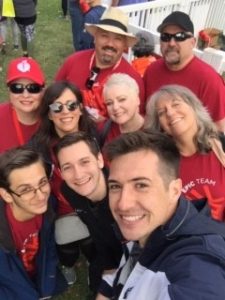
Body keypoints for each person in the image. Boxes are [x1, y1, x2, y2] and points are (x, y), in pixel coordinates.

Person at [97, 130, 225, 300]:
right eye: (115, 186)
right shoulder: (150, 229)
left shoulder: (197, 265)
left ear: (174, 190)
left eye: (141, 185)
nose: (123, 204)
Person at [29, 81, 99, 287]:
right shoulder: (40, 146)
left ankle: (93, 262)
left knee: (92, 243)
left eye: (71, 105)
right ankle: (68, 264)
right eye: (57, 107)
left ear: (80, 109)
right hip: (61, 210)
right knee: (67, 244)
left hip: (93, 204)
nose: (65, 112)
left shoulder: (95, 135)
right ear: (49, 114)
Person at [54, 131, 123, 296]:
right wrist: (107, 266)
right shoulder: (69, 191)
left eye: (84, 162)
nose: (78, 175)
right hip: (105, 250)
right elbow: (94, 226)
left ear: (99, 160)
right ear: (61, 173)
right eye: (67, 167)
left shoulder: (124, 193)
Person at [145, 84, 225, 221]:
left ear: (194, 107)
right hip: (196, 240)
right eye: (162, 113)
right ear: (161, 126)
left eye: (176, 104)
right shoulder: (162, 164)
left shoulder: (221, 144)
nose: (170, 113)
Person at [0, 146, 67, 300]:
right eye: (25, 190)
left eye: (43, 182)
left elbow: (49, 249)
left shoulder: (49, 206)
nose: (40, 195)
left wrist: (46, 290)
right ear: (7, 195)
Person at [55, 7, 145, 122]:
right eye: (104, 36)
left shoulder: (133, 80)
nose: (110, 44)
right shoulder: (73, 61)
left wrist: (105, 124)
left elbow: (135, 125)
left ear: (124, 45)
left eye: (117, 39)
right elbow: (53, 98)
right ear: (95, 37)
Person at [143, 11, 225, 132]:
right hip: (155, 142)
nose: (171, 43)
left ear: (192, 42)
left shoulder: (209, 79)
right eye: (165, 37)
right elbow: (146, 114)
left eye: (180, 37)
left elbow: (219, 128)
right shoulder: (152, 71)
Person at [0, 57, 45, 154]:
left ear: (42, 90)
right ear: (9, 91)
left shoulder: (54, 117)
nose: (25, 95)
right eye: (17, 88)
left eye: (33, 88)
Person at [99, 73, 144, 147]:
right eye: (109, 103)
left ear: (137, 100)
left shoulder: (154, 130)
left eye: (122, 99)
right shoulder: (102, 130)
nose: (115, 107)